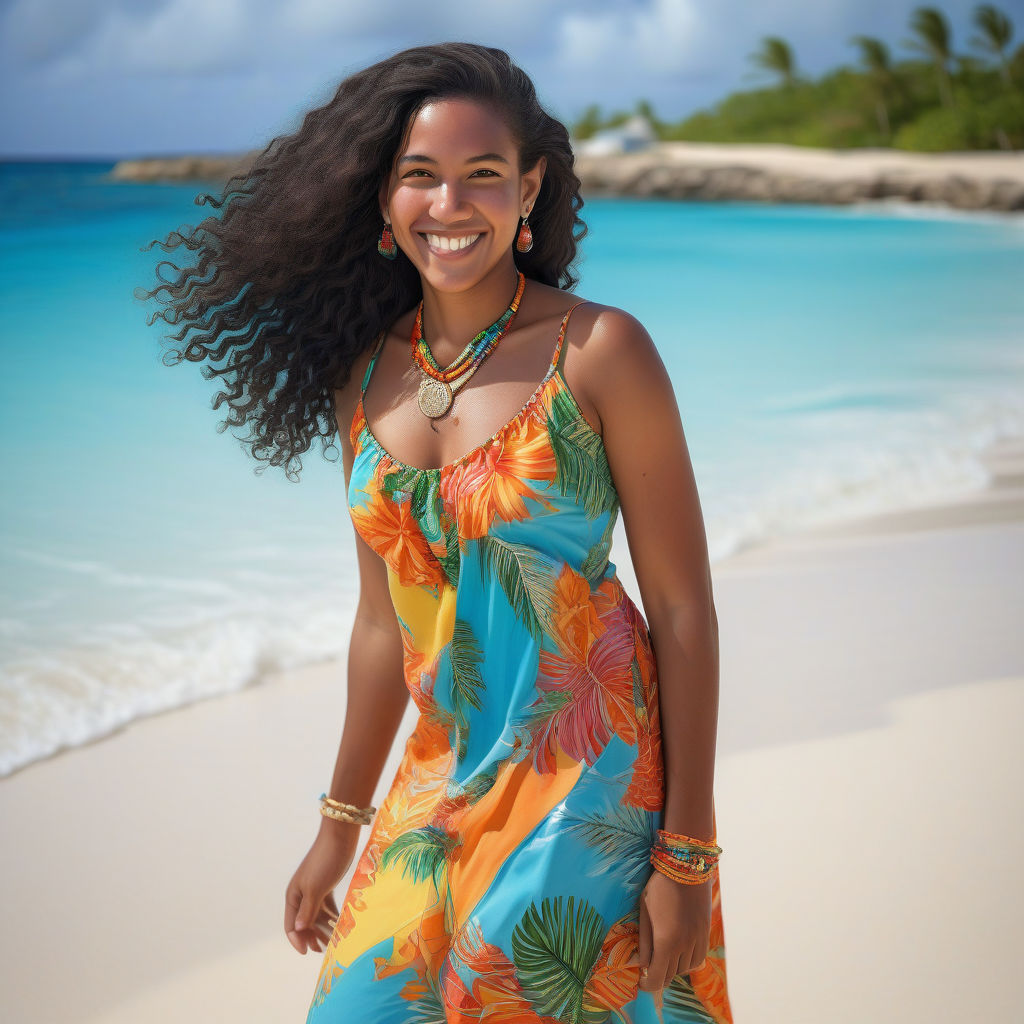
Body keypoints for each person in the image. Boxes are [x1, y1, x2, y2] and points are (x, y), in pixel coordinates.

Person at [143, 40, 732, 1024]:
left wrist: (688, 852)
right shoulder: (362, 378)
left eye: (482, 174)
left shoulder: (600, 351)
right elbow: (382, 622)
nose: (448, 205)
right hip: (436, 774)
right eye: (420, 175)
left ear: (528, 190)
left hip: (586, 776)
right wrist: (340, 823)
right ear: (381, 198)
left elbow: (681, 607)